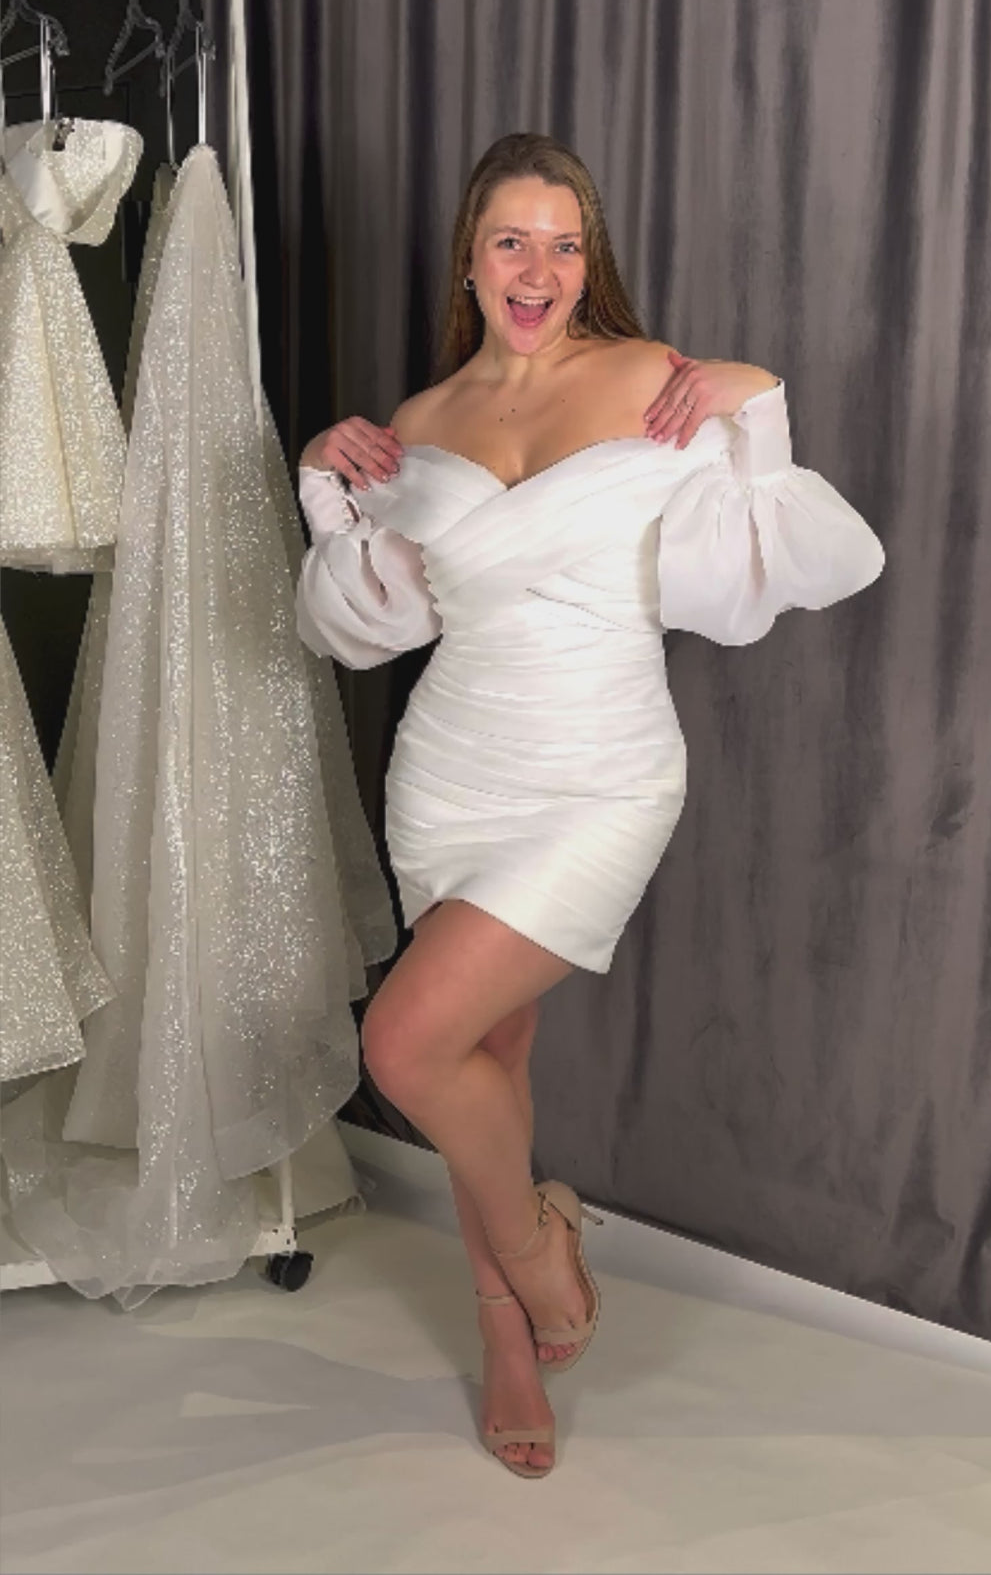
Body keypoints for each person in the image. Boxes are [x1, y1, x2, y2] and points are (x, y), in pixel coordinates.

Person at [295, 131, 885, 1477]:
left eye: (565, 245)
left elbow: (755, 544)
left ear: (588, 261)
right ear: (470, 257)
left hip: (604, 771)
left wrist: (757, 393)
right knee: (483, 1059)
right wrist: (330, 480)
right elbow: (372, 624)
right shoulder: (422, 421)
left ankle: (532, 1246)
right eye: (512, 240)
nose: (539, 268)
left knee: (406, 1045)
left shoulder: (650, 378)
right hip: (451, 773)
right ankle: (508, 1335)